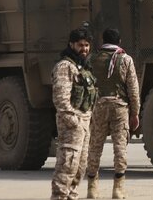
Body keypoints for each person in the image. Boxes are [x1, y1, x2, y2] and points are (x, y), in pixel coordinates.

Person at [86, 28, 140, 199]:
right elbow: (133, 89)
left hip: (98, 106)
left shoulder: (92, 59)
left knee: (95, 146)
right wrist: (135, 113)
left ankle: (92, 188)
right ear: (120, 41)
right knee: (120, 147)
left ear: (103, 41)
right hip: (119, 107)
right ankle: (118, 188)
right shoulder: (126, 59)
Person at [51, 28, 98, 200]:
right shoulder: (65, 67)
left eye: (87, 45)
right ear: (71, 45)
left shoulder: (82, 66)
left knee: (80, 167)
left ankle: (71, 196)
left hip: (84, 123)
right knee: (67, 165)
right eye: (80, 45)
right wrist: (75, 123)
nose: (84, 49)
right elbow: (61, 101)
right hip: (72, 125)